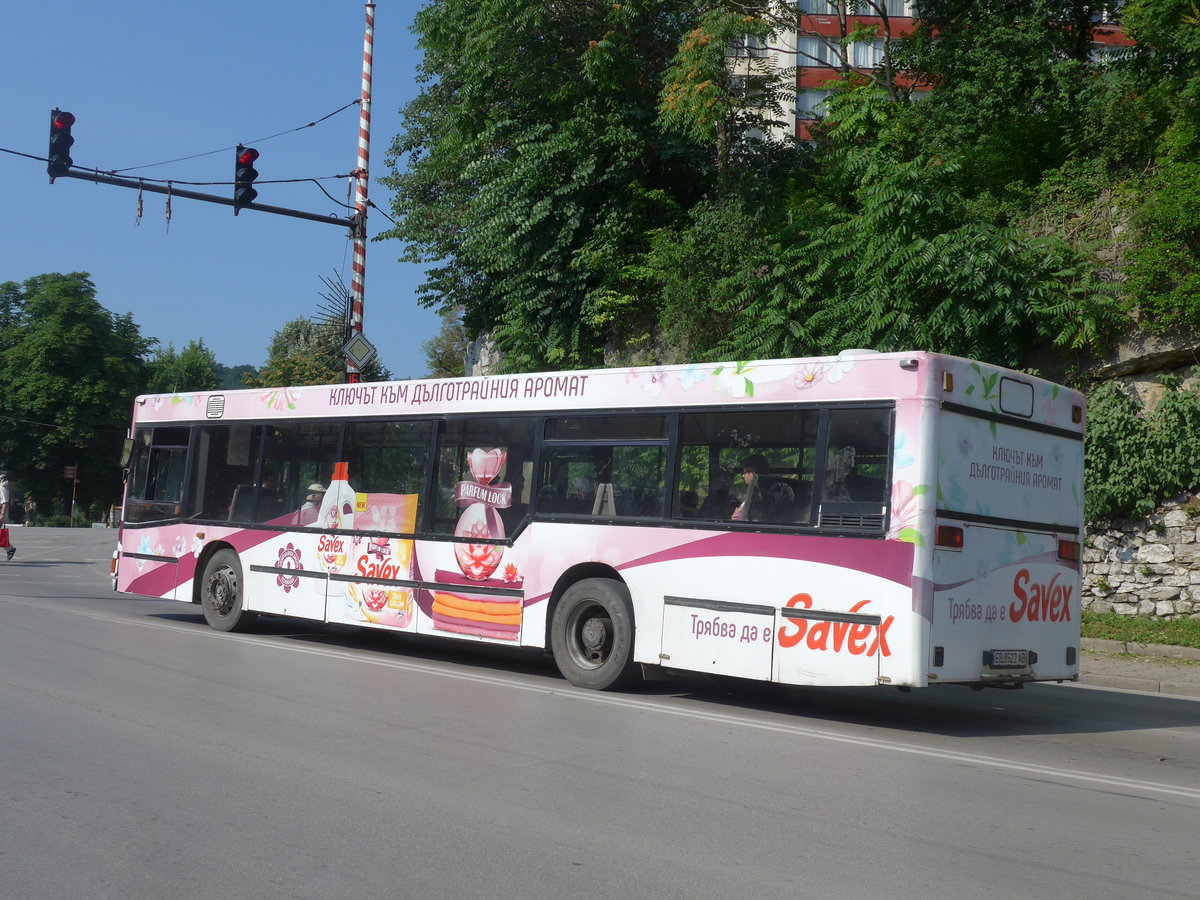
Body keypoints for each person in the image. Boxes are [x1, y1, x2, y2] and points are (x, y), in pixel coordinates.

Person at [732, 454, 768, 521]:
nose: (743, 476)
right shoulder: (754, 491)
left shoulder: (764, 495)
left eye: (747, 471)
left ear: (756, 473)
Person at [0, 474, 16, 561]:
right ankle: (10, 549)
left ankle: (10, 549)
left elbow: (5, 502)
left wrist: (2, 514)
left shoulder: (2, 488)